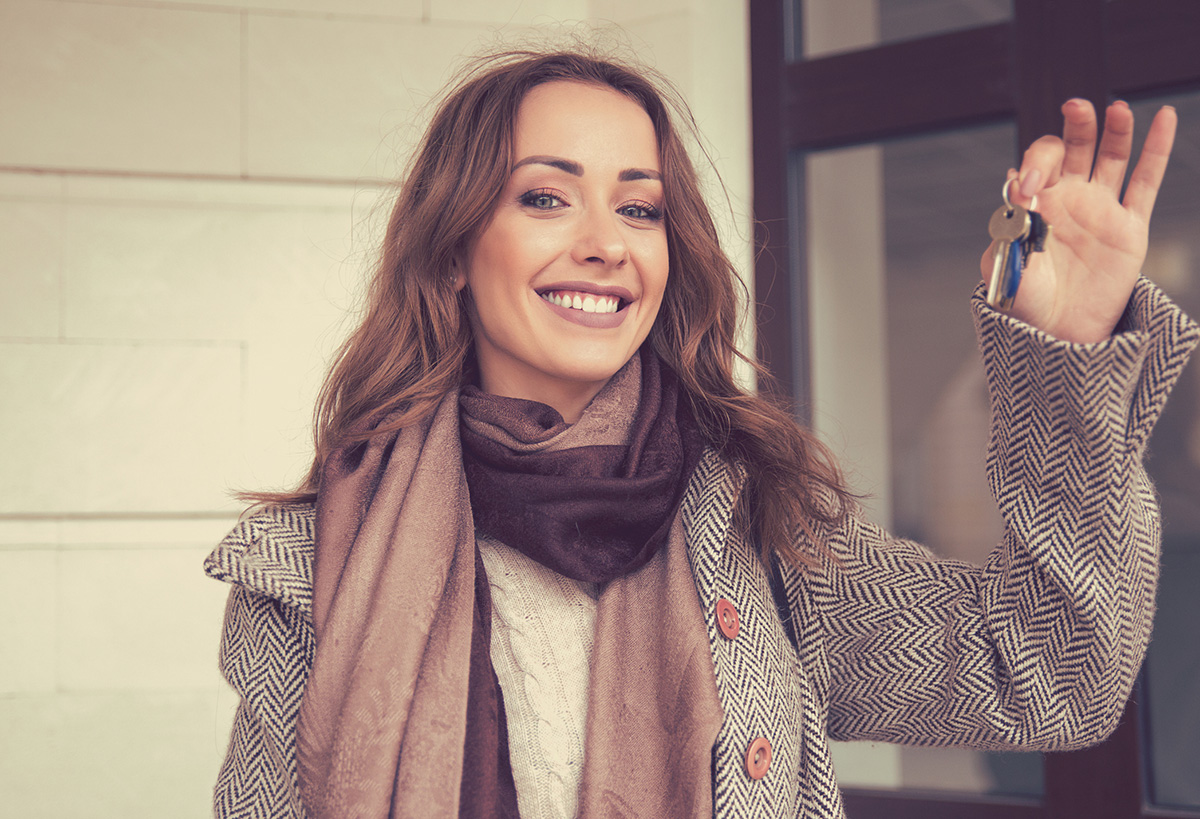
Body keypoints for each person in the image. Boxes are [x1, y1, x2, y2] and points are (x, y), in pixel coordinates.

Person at [204, 48, 1199, 819]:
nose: (604, 241)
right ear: (456, 247)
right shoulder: (310, 566)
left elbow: (1046, 679)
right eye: (545, 196)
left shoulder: (754, 523)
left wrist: (1062, 361)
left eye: (639, 207)